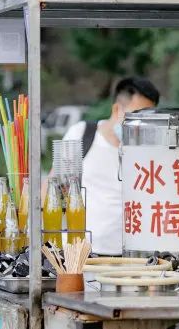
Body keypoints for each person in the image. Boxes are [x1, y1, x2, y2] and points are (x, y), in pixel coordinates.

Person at [63, 76, 160, 254]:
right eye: (136, 116)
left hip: (133, 257)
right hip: (84, 255)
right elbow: (55, 185)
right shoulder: (82, 134)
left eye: (148, 119)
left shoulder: (147, 151)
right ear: (117, 109)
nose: (142, 124)